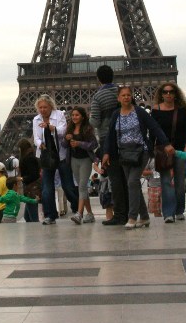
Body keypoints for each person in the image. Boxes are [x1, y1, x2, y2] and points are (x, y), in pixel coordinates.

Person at [103, 85, 171, 229]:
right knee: (132, 184)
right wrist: (106, 152)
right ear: (118, 98)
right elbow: (110, 135)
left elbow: (154, 127)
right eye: (123, 95)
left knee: (132, 181)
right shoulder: (116, 114)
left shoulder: (139, 112)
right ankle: (145, 217)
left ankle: (132, 217)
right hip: (124, 153)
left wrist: (165, 143)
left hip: (141, 151)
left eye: (128, 95)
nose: (126, 97)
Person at [33, 94, 78, 225]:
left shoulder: (59, 115)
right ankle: (50, 215)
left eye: (45, 107)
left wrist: (52, 128)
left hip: (61, 155)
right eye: (40, 107)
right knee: (47, 188)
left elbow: (64, 131)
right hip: (46, 156)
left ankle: (77, 209)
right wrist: (39, 143)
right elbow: (36, 136)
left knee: (68, 186)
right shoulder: (36, 119)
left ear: (50, 106)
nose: (42, 110)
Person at [90, 65, 126, 226]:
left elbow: (95, 121)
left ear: (98, 79)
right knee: (127, 177)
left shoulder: (98, 96)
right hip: (125, 137)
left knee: (114, 178)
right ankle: (132, 212)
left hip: (107, 139)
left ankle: (118, 214)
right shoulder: (121, 93)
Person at [150, 81, 186, 223]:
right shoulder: (156, 110)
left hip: (179, 150)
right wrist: (151, 149)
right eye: (165, 92)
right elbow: (153, 132)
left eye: (171, 92)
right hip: (163, 150)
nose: (168, 94)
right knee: (166, 181)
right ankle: (168, 213)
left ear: (175, 94)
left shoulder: (182, 110)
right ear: (161, 94)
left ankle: (179, 211)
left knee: (180, 182)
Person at [66, 107, 98, 225]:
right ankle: (89, 214)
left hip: (85, 160)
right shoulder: (70, 128)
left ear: (83, 117)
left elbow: (94, 144)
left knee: (82, 186)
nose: (74, 117)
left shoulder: (88, 129)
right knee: (81, 187)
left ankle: (79, 214)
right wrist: (66, 139)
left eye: (77, 115)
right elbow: (64, 145)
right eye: (73, 115)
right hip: (74, 160)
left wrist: (79, 143)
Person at [18, 138, 41, 222]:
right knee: (27, 217)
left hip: (31, 189)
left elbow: (34, 175)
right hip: (30, 188)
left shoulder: (28, 158)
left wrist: (22, 178)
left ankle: (35, 232)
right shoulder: (30, 156)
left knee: (33, 217)